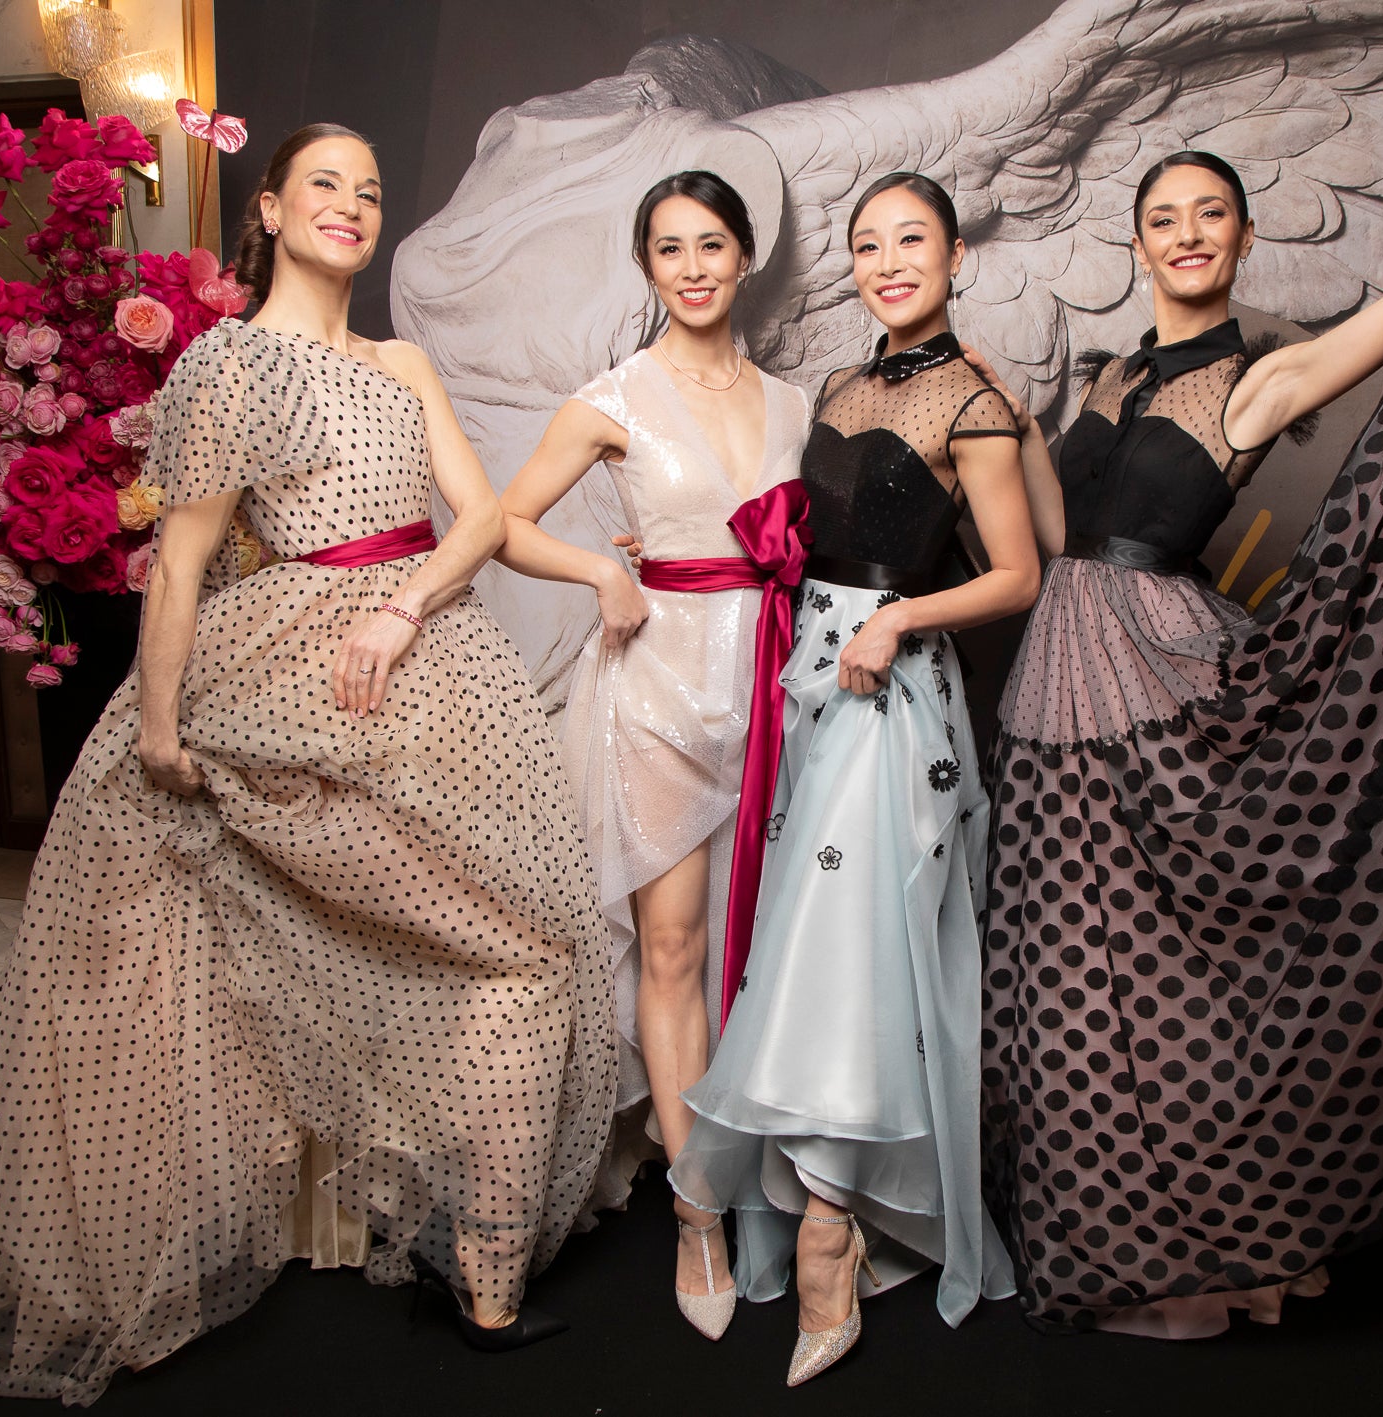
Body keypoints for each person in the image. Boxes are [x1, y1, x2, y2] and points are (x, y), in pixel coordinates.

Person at [0, 124, 616, 1403]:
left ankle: (485, 1267)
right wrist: (159, 730)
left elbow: (479, 518)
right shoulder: (228, 361)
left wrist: (406, 606)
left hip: (421, 673)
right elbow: (179, 563)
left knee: (517, 952)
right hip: (284, 680)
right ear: (273, 210)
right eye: (324, 185)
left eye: (371, 189)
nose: (352, 204)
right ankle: (445, 1270)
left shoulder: (404, 361)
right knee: (188, 975)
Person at [973, 27, 1383, 1337]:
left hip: (1159, 696)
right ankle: (1113, 1236)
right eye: (1162, 219)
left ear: (1240, 238)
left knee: (1166, 988)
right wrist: (998, 417)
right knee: (1063, 986)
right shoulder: (1109, 373)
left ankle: (1205, 1247)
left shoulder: (1260, 375)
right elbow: (1056, 533)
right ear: (1138, 245)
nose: (1185, 235)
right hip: (1050, 688)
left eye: (1207, 215)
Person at [668, 172, 1038, 1385]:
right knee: (804, 945)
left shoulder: (975, 402)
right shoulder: (836, 386)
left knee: (848, 946)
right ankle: (811, 1208)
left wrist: (899, 619)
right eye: (867, 244)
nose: (888, 262)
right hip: (810, 680)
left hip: (890, 693)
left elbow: (1017, 575)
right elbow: (808, 539)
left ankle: (828, 1232)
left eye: (911, 240)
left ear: (955, 256)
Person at [493, 170, 812, 1341]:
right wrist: (601, 569)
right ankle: (695, 1212)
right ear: (646, 266)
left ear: (743, 257)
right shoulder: (610, 398)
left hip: (773, 689)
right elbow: (503, 522)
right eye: (668, 248)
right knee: (671, 948)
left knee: (767, 949)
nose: (691, 267)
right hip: (658, 694)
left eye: (710, 243)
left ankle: (776, 1175)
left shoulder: (795, 405)